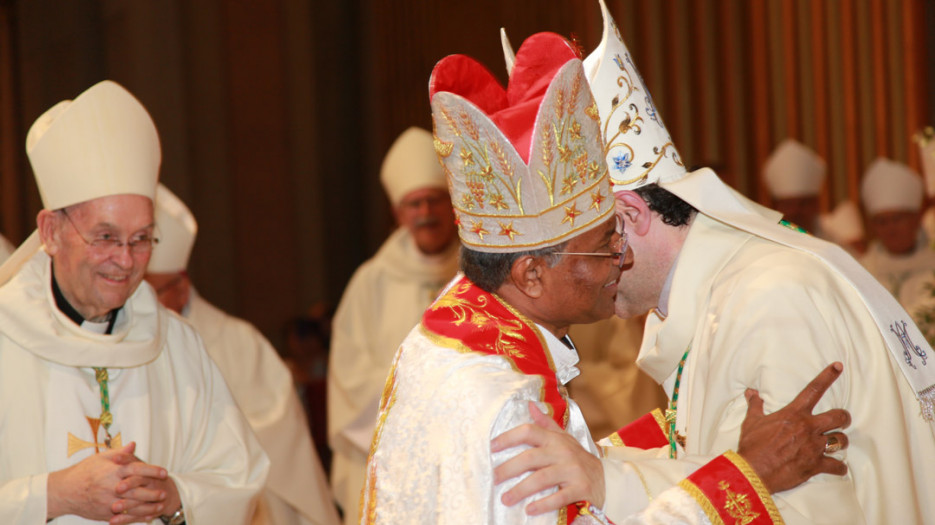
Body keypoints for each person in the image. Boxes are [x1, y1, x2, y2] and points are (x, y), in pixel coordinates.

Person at [361, 31, 850, 524]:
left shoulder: (455, 335)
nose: (621, 257)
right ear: (531, 274)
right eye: (603, 245)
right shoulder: (505, 403)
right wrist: (750, 476)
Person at [500, 4, 935, 523]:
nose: (580, 275)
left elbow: (803, 508)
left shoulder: (774, 299)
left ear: (629, 215)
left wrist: (605, 480)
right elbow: (732, 467)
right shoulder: (716, 296)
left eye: (586, 245)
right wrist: (598, 464)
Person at [0, 80, 268, 524]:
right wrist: (50, 496)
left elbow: (238, 478)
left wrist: (177, 498)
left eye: (141, 239)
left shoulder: (176, 346)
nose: (125, 261)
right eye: (105, 237)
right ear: (50, 232)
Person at [144, 183, 340, 525]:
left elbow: (276, 436)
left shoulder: (238, 342)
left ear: (182, 286)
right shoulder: (117, 345)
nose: (140, 302)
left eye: (151, 291)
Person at [327, 126, 459, 523]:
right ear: (398, 213)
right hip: (397, 459)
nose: (425, 213)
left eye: (433, 200)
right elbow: (349, 380)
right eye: (413, 204)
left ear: (451, 203)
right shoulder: (372, 282)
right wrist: (422, 398)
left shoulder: (484, 269)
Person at [859, 157, 935, 309]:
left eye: (897, 219)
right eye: (882, 222)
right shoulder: (863, 271)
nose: (891, 229)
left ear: (916, 218)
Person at [762, 138, 827, 235]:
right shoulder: (766, 244)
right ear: (775, 207)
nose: (796, 211)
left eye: (803, 203)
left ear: (816, 204)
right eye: (788, 204)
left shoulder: (835, 244)